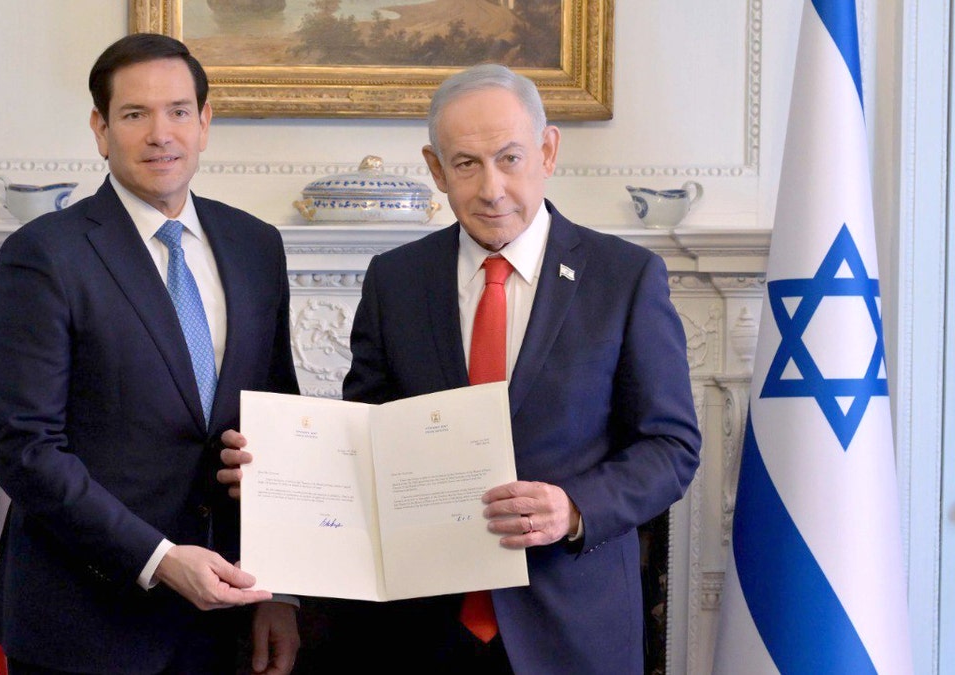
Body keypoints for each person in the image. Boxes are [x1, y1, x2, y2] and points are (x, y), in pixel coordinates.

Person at [221, 63, 701, 674]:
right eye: (467, 164)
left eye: (509, 158)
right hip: (419, 634)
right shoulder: (397, 279)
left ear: (548, 150)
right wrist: (277, 473)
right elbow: (364, 443)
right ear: (435, 168)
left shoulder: (625, 278)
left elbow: (671, 446)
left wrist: (574, 508)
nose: (491, 188)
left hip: (571, 630)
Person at [0, 33, 300, 674]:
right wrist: (160, 559)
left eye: (179, 111)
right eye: (135, 114)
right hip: (86, 623)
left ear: (205, 123)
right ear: (101, 129)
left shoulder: (255, 245)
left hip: (227, 619)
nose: (162, 133)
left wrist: (283, 591)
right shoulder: (44, 254)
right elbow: (26, 449)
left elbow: (279, 418)